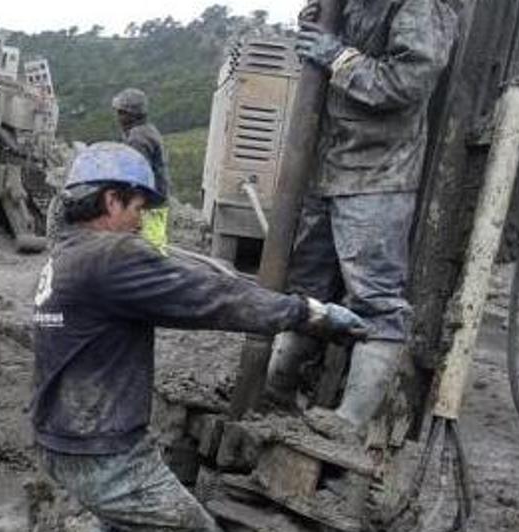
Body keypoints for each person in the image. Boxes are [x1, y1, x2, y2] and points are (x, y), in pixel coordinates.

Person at [32, 142, 368, 531]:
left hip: (62, 438)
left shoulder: (65, 256)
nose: (141, 222)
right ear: (111, 200)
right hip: (102, 452)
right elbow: (212, 298)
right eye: (138, 208)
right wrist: (308, 313)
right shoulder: (110, 256)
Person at [264, 0, 461, 437]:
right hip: (327, 163)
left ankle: (349, 422)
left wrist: (339, 58)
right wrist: (315, 24)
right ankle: (278, 390)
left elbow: (411, 80)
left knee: (375, 299)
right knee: (307, 286)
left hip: (377, 170)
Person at [112, 88, 171, 254]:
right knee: (154, 244)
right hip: (155, 200)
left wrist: (128, 203)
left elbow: (135, 176)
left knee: (151, 249)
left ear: (131, 114)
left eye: (121, 112)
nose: (118, 117)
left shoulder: (138, 138)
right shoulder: (146, 130)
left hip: (149, 204)